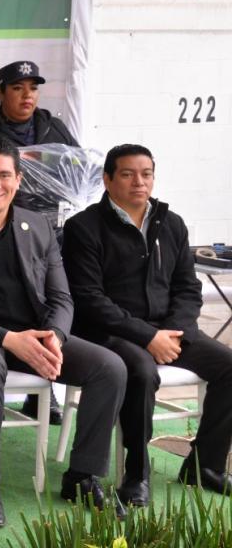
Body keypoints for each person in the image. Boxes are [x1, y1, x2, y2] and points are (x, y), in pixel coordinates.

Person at [0, 139, 127, 527]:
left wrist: (55, 338)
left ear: (18, 179)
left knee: (109, 367)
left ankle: (82, 476)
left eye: (3, 175)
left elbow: (62, 297)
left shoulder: (39, 225)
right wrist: (9, 338)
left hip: (32, 335)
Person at [63, 144, 232, 504]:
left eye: (146, 173)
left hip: (169, 329)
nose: (139, 182)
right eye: (127, 174)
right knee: (141, 370)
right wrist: (148, 337)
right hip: (110, 333)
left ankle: (206, 465)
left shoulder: (171, 224)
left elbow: (188, 287)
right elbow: (90, 299)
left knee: (230, 366)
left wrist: (174, 331)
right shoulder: (84, 227)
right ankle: (137, 473)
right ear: (107, 180)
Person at [0, 60, 77, 172]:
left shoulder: (55, 127)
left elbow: (80, 166)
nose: (27, 95)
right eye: (18, 88)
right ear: (1, 94)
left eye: (33, 88)